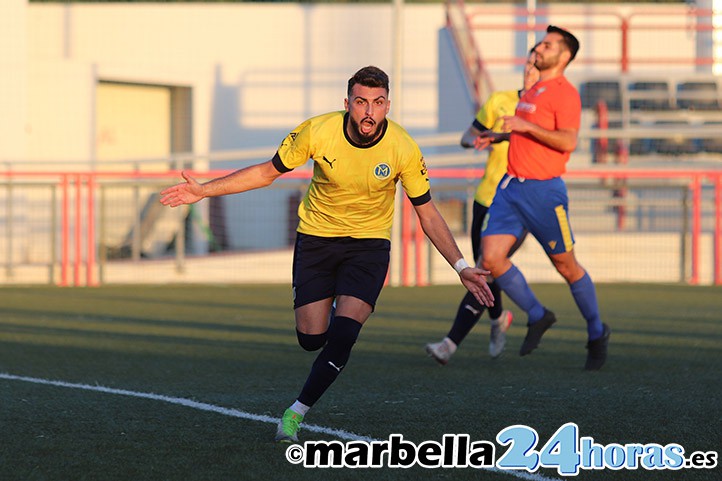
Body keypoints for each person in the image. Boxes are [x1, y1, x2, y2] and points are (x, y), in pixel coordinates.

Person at [159, 66, 495, 442]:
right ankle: (335, 311)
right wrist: (205, 190)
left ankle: (295, 412)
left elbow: (427, 212)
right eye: (361, 102)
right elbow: (266, 173)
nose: (369, 112)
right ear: (347, 103)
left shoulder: (403, 147)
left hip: (368, 245)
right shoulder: (317, 131)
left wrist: (461, 265)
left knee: (344, 334)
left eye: (378, 103)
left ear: (388, 105)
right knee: (311, 338)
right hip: (316, 240)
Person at [481, 26, 611, 371]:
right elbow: (527, 136)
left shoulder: (564, 93)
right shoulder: (534, 88)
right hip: (511, 189)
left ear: (564, 56)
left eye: (548, 44)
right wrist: (496, 137)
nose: (539, 47)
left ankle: (597, 332)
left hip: (543, 192)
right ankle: (538, 315)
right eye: (541, 42)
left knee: (566, 266)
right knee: (491, 259)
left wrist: (524, 127)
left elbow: (567, 141)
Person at [425, 46, 539, 364]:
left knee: (485, 269)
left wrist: (502, 137)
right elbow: (468, 135)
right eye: (528, 64)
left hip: (520, 205)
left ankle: (449, 344)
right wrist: (478, 137)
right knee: (486, 267)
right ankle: (498, 317)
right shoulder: (500, 100)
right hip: (485, 198)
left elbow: (542, 143)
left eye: (537, 66)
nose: (531, 70)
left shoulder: (545, 110)